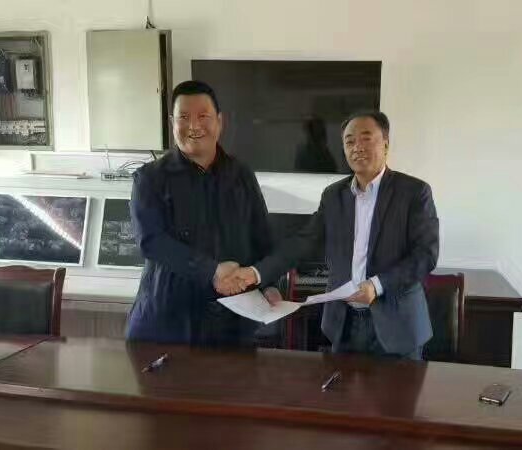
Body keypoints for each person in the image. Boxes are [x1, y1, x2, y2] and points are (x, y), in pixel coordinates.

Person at [231, 111, 439, 359]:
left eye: (366, 138)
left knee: (398, 387)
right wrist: (257, 272)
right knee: (341, 384)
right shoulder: (334, 195)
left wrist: (377, 285)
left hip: (398, 326)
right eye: (350, 141)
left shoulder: (414, 192)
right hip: (344, 324)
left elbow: (425, 255)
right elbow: (303, 242)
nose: (357, 147)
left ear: (385, 144)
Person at [126, 80, 280, 345]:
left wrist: (269, 283)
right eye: (184, 117)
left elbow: (262, 238)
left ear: (219, 122)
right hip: (168, 323)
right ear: (172, 123)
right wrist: (212, 271)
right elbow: (151, 241)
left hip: (231, 324)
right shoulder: (150, 178)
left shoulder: (241, 175)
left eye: (203, 116)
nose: (194, 126)